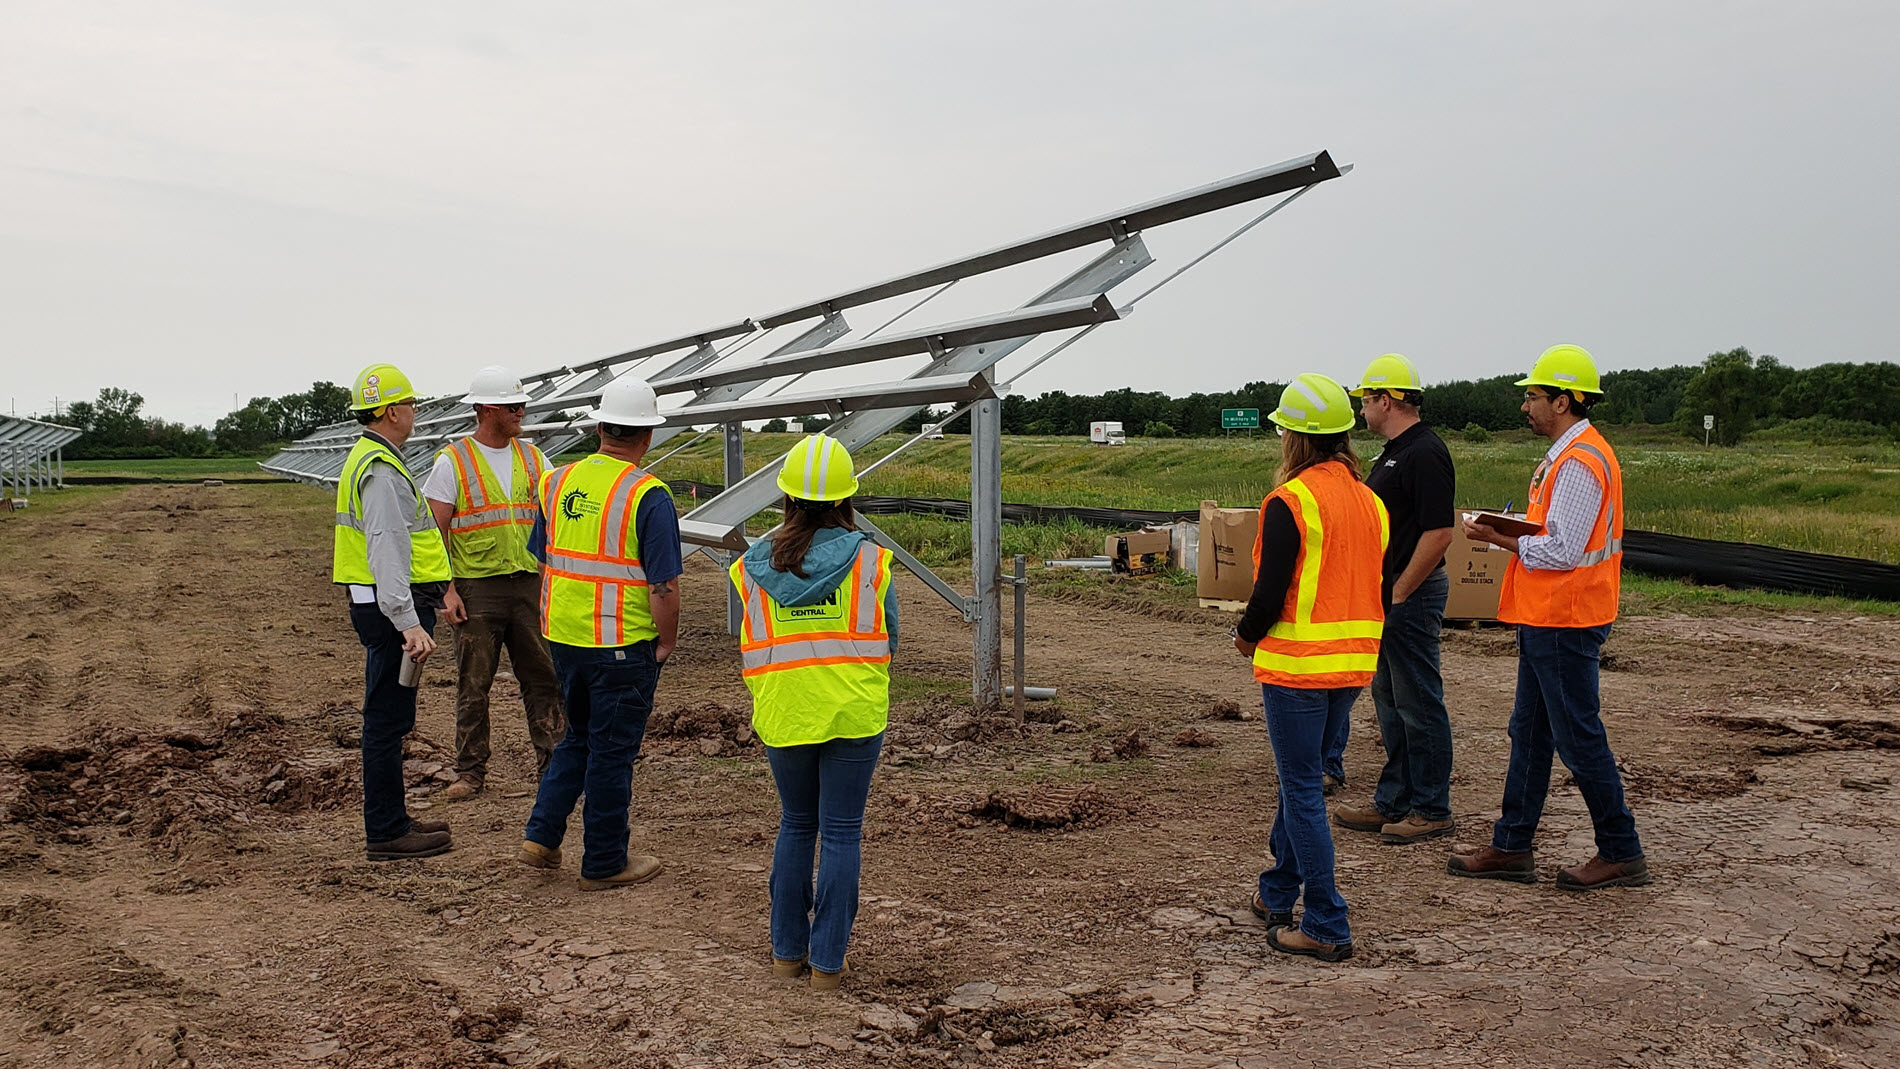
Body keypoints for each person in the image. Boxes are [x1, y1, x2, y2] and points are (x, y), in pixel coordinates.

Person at [1451, 344, 1648, 891]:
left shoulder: (1581, 463)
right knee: (1531, 733)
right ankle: (1512, 845)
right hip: (1550, 615)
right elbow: (1556, 536)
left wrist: (1498, 539)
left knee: (1578, 736)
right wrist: (1511, 530)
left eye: (1533, 396)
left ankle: (1621, 850)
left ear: (1564, 400)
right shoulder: (1568, 455)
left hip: (1567, 616)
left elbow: (1562, 551)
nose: (1525, 407)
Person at [729, 435, 898, 992]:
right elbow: (890, 636)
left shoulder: (750, 565)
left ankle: (785, 955)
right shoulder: (871, 560)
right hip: (854, 711)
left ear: (786, 497)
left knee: (797, 825)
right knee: (842, 834)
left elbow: (747, 633)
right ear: (844, 499)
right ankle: (827, 966)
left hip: (784, 710)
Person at [1233, 374, 1389, 963]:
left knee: (1301, 789)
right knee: (1300, 781)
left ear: (1295, 438)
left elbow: (1270, 592)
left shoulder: (1291, 501)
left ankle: (1326, 921)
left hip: (1298, 667)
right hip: (1353, 665)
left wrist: (1244, 637)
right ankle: (1277, 890)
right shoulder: (1370, 499)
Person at [515, 376, 681, 890]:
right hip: (621, 645)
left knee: (579, 738)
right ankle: (605, 861)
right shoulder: (648, 495)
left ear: (600, 427)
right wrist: (668, 640)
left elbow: (540, 555)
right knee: (612, 752)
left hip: (563, 637)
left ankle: (541, 838)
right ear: (646, 436)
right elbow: (665, 585)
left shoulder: (557, 481)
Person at [1332, 355, 1458, 846]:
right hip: (1390, 598)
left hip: (1411, 595)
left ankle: (1430, 807)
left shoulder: (1423, 452)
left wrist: (1402, 590)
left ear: (1387, 400)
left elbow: (1440, 532)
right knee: (1391, 701)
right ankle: (1395, 800)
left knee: (1418, 702)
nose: (1361, 409)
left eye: (1365, 399)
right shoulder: (1394, 452)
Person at [423, 366, 564, 802]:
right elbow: (433, 532)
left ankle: (554, 769)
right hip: (475, 588)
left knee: (544, 679)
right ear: (486, 409)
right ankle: (470, 771)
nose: (521, 412)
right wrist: (444, 591)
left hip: (528, 585)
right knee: (474, 682)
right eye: (512, 406)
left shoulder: (535, 458)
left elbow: (551, 520)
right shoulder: (453, 461)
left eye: (521, 405)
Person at [332, 363, 454, 861]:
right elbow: (386, 547)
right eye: (409, 404)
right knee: (385, 720)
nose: (415, 412)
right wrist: (406, 621)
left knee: (390, 716)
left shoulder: (374, 458)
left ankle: (394, 819)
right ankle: (385, 831)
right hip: (390, 613)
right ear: (389, 410)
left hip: (387, 608)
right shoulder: (380, 470)